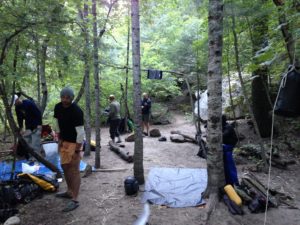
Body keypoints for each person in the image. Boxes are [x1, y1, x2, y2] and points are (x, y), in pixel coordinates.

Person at [54, 87, 84, 212]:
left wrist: (77, 148)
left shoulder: (76, 111)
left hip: (74, 143)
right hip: (63, 142)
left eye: (68, 98)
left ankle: (75, 200)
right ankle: (69, 191)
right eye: (63, 97)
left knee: (74, 170)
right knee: (65, 167)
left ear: (72, 98)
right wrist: (59, 138)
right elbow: (57, 122)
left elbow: (80, 132)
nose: (65, 100)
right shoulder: (58, 107)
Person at [222, 115, 239, 186]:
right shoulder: (223, 126)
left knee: (229, 165)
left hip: (228, 147)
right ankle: (229, 181)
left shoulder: (228, 127)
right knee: (225, 165)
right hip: (225, 147)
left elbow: (223, 135)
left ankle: (234, 182)